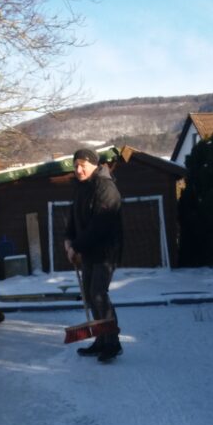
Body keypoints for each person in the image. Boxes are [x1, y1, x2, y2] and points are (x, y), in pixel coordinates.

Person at [64, 148, 123, 362]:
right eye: (75, 165)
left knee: (99, 294)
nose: (79, 169)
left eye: (83, 165)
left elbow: (100, 225)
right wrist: (68, 240)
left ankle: (113, 343)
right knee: (90, 296)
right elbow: (73, 217)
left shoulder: (106, 188)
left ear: (94, 165)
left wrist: (76, 246)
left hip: (106, 251)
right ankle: (100, 340)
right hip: (87, 250)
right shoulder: (81, 187)